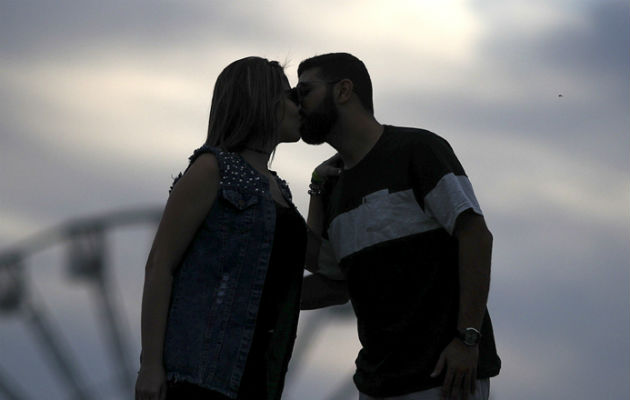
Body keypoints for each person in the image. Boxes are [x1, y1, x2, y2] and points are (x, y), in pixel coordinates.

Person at [297, 53, 501, 400]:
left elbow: (476, 236)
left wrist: (468, 341)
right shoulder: (331, 186)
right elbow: (334, 283)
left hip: (443, 381)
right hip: (377, 386)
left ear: (344, 91)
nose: (296, 104)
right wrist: (316, 189)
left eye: (304, 92)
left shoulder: (417, 151)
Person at [135, 56, 306, 400]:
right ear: (264, 101)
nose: (298, 107)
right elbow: (160, 265)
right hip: (202, 373)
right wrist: (151, 365)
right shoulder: (212, 169)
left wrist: (321, 186)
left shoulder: (280, 191)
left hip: (256, 376)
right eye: (290, 97)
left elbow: (289, 283)